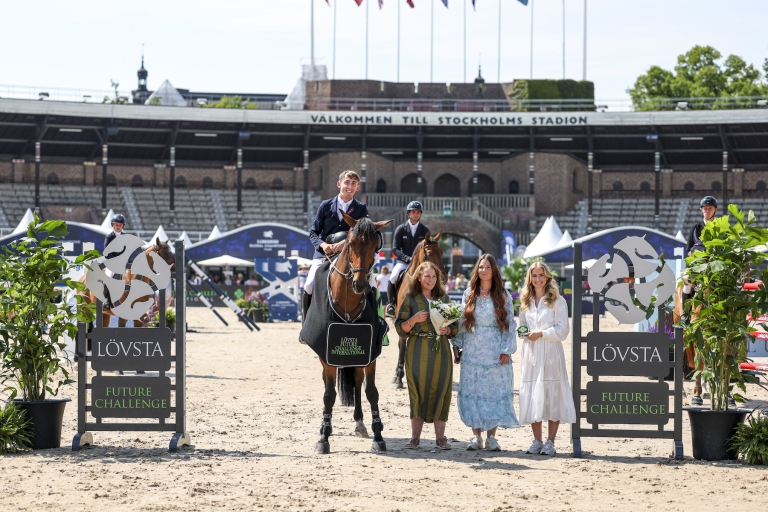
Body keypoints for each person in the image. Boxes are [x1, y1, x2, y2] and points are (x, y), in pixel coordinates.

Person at [451, 254, 519, 451]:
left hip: (494, 351)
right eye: (481, 267)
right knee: (473, 392)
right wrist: (456, 345)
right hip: (472, 350)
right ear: (477, 270)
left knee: (493, 392)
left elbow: (510, 323)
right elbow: (462, 323)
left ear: (494, 270)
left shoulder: (502, 295)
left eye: (488, 267)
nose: (484, 270)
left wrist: (506, 350)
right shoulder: (469, 293)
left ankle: (491, 437)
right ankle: (476, 436)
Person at [395, 261, 458, 450]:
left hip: (441, 351)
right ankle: (415, 438)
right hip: (417, 348)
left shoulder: (444, 299)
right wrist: (413, 320)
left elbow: (456, 327)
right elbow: (400, 329)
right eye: (427, 276)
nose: (431, 280)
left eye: (434, 276)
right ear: (419, 278)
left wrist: (448, 330)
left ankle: (440, 439)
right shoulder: (410, 299)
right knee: (417, 391)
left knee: (442, 390)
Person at [518, 261, 576, 456]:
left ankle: (550, 441)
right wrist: (523, 332)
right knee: (534, 393)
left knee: (552, 395)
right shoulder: (525, 301)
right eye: (534, 276)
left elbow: (563, 330)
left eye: (541, 275)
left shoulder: (558, 301)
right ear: (530, 278)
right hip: (532, 353)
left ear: (548, 276)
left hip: (551, 353)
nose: (538, 279)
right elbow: (523, 325)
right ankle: (537, 441)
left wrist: (541, 333)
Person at [302, 170, 369, 323]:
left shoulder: (361, 208)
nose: (349, 187)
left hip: (349, 254)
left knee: (370, 283)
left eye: (353, 184)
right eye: (347, 182)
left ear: (357, 188)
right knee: (309, 285)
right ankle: (306, 325)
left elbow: (364, 233)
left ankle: (375, 320)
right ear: (339, 184)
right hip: (324, 254)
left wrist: (345, 243)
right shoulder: (326, 205)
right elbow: (313, 233)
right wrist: (323, 245)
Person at [386, 201, 430, 317]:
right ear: (409, 213)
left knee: (431, 278)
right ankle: (391, 304)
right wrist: (407, 259)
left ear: (420, 214)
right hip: (404, 262)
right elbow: (395, 249)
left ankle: (432, 302)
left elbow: (428, 248)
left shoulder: (425, 231)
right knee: (393, 277)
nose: (415, 214)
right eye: (413, 212)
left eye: (418, 212)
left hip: (420, 264)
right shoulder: (401, 229)